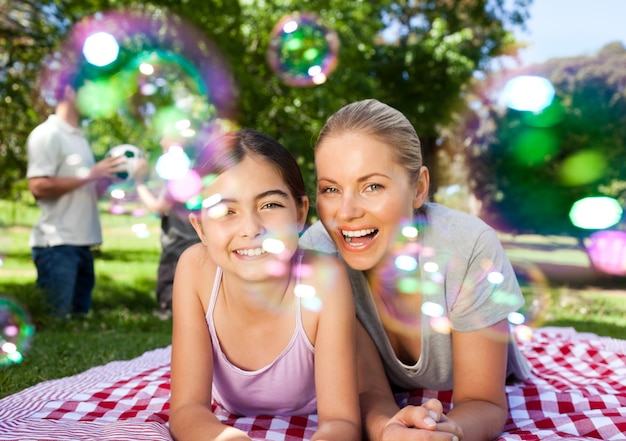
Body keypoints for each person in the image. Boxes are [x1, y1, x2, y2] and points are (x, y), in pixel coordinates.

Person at [299, 99, 531, 441]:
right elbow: (366, 392)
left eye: (372, 186)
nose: (345, 212)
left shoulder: (468, 246)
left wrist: (450, 431)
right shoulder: (319, 254)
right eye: (330, 189)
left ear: (419, 188)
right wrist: (385, 430)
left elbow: (483, 401)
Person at [169, 128, 360, 441]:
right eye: (224, 211)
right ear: (200, 227)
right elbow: (187, 409)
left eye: (269, 205)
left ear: (300, 213)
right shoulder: (194, 269)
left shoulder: (325, 278)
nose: (251, 228)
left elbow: (341, 421)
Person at [26, 70, 124, 318]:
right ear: (69, 91)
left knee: (78, 323)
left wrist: (105, 179)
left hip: (83, 242)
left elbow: (84, 188)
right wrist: (90, 175)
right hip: (57, 246)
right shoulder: (47, 135)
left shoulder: (79, 138)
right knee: (56, 322)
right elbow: (38, 187)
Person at [133, 138, 201, 319]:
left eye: (167, 139)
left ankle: (169, 311)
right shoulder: (195, 173)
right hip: (195, 239)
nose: (162, 142)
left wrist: (138, 182)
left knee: (171, 279)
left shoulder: (178, 177)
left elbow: (158, 207)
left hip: (178, 242)